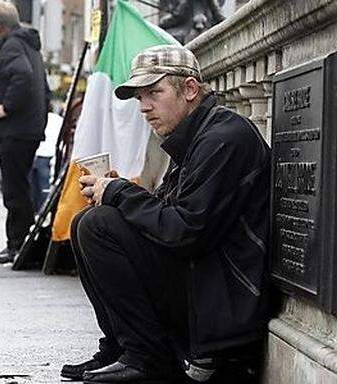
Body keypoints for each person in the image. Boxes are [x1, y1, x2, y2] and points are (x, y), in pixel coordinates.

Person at [61, 45, 271, 383]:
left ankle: (148, 358)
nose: (144, 107)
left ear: (189, 89)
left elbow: (184, 231)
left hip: (225, 306)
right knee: (85, 221)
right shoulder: (196, 135)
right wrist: (118, 193)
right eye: (140, 97)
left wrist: (119, 193)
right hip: (204, 284)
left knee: (99, 226)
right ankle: (122, 347)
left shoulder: (224, 138)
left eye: (154, 93)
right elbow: (170, 213)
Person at [0, 1, 50, 264]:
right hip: (30, 127)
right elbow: (43, 87)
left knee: (14, 190)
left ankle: (16, 245)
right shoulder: (29, 45)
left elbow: (21, 76)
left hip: (16, 129)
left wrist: (4, 108)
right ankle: (22, 243)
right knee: (21, 187)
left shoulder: (12, 46)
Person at [30, 108, 63, 212]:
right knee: (45, 185)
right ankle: (44, 210)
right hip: (49, 154)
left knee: (34, 186)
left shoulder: (36, 116)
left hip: (37, 153)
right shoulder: (58, 119)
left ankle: (35, 209)